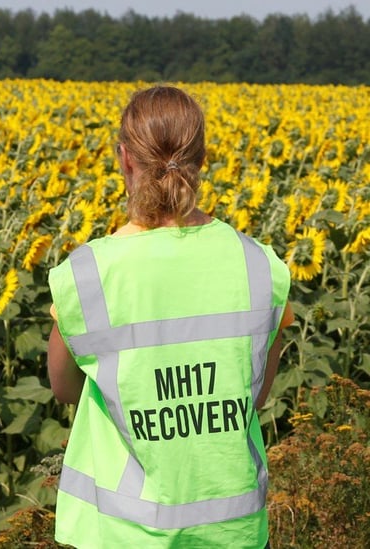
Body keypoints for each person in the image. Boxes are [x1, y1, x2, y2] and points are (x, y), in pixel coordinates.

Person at [46, 85, 292, 548]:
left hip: (121, 531)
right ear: (203, 158)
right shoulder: (260, 266)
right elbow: (255, 392)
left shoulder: (87, 274)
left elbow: (64, 387)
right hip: (230, 529)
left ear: (124, 159)